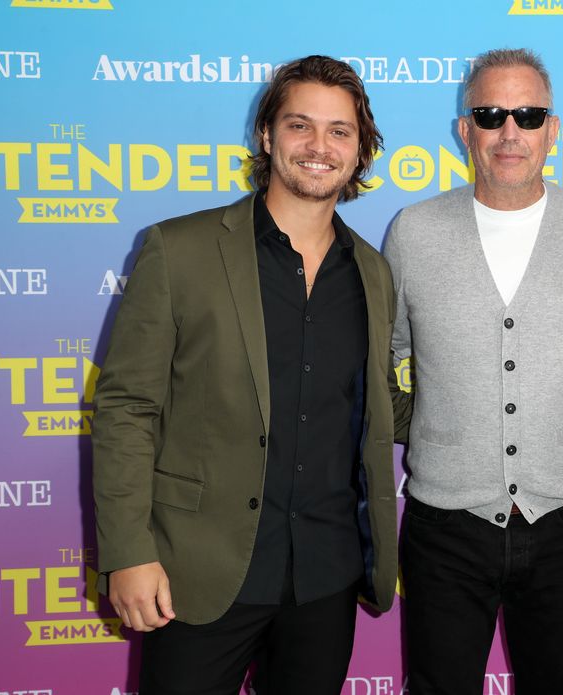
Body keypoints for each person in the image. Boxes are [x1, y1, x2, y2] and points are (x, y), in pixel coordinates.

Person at [92, 55, 409, 695]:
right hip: (196, 573)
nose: (319, 147)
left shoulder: (373, 273)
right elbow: (126, 409)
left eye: (340, 131)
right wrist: (128, 552)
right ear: (266, 136)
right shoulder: (178, 250)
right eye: (300, 126)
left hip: (326, 575)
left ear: (361, 148)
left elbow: (379, 407)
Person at [384, 48, 563, 694]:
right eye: (491, 115)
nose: (510, 132)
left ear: (553, 129)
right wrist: (434, 425)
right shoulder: (413, 232)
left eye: (528, 114)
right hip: (445, 524)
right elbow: (384, 355)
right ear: (465, 130)